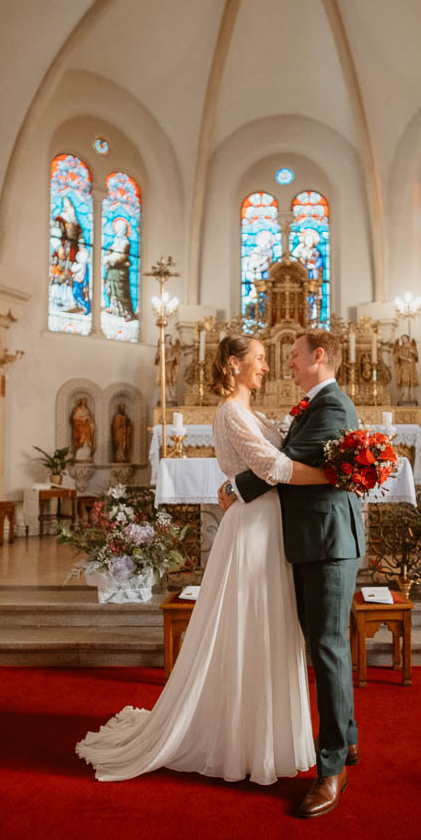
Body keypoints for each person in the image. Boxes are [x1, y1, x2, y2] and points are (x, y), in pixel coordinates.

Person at [76, 335, 331, 786]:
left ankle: (262, 739)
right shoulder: (230, 413)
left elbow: (281, 455)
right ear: (233, 364)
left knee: (268, 626)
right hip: (252, 529)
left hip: (270, 526)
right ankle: (235, 739)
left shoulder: (251, 412)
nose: (267, 368)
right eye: (259, 359)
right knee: (247, 626)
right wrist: (335, 476)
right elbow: (272, 469)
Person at [218, 329, 365, 819]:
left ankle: (332, 771)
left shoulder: (332, 406)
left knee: (326, 647)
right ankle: (345, 739)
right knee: (323, 645)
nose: (287, 365)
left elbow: (292, 462)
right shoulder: (312, 404)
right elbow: (288, 462)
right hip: (308, 540)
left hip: (327, 542)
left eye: (294, 356)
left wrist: (237, 485)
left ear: (318, 357)